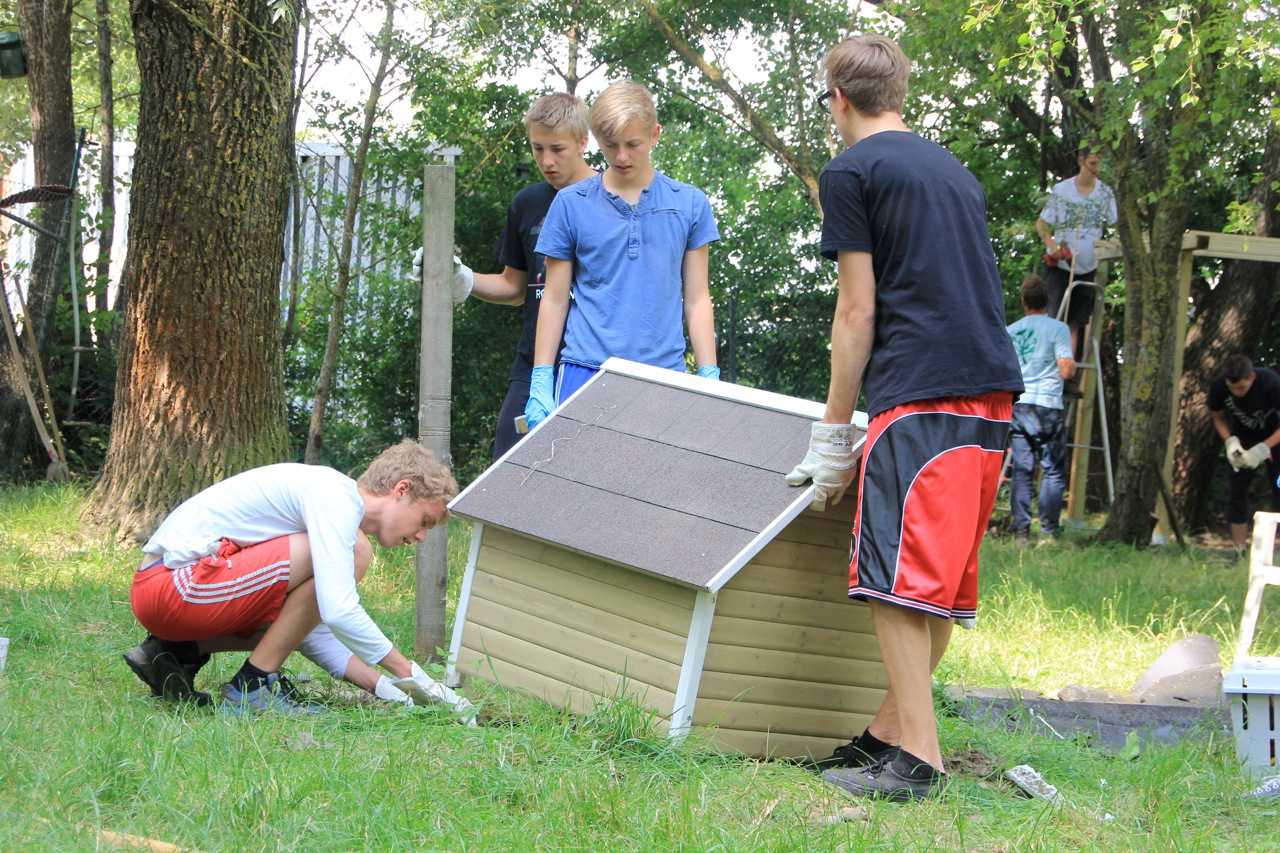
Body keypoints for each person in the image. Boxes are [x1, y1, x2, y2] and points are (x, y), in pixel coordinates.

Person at [785, 34, 1023, 802]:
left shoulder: (852, 170)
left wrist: (833, 431)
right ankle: (890, 733)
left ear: (839, 100)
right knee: (940, 586)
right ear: (901, 96)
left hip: (920, 391)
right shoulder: (950, 167)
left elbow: (857, 311)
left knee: (892, 582)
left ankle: (919, 762)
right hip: (993, 395)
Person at [123, 440, 463, 716]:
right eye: (424, 521)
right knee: (357, 551)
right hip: (171, 587)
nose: (421, 538)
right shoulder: (335, 496)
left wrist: (392, 692)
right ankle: (251, 687)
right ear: (401, 490)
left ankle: (170, 653)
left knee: (306, 605)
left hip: (172, 593)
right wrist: (412, 676)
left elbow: (305, 630)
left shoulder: (333, 505)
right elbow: (338, 611)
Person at [523, 80, 720, 430]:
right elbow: (554, 299)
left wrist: (708, 373)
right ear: (596, 140)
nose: (621, 156)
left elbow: (697, 298)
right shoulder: (570, 204)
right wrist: (541, 376)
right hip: (584, 372)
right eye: (610, 145)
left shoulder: (690, 204)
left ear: (655, 134)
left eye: (633, 144)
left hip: (664, 377)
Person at [414, 93, 597, 459]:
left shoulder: (613, 198)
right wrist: (458, 277)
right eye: (537, 148)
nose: (547, 161)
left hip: (595, 362)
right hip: (533, 364)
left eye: (557, 149)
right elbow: (515, 286)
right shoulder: (527, 203)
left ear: (583, 142)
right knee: (509, 471)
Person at [1006, 274, 1076, 548]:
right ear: (1048, 301)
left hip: (1020, 406)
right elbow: (1066, 370)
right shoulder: (1058, 329)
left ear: (1024, 301)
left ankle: (1021, 533)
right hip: (1048, 406)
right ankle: (1048, 533)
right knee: (1053, 471)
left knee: (1021, 470)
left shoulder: (1011, 330)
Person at [1034, 143, 1117, 358]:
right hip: (1061, 265)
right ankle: (1047, 365)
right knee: (1053, 318)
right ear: (1081, 160)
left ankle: (1067, 370)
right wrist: (1052, 246)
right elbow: (1042, 223)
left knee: (1075, 323)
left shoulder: (1105, 193)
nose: (1096, 169)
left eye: (1099, 164)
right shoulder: (1063, 190)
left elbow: (1117, 225)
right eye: (1092, 163)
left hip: (1088, 267)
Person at [1207, 354, 1280, 554]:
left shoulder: (1271, 384)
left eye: (1241, 388)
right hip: (1242, 441)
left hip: (1275, 439)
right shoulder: (1219, 386)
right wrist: (1230, 442)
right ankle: (1239, 550)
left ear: (1252, 378)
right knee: (1236, 492)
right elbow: (1218, 417)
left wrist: (1262, 449)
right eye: (1233, 389)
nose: (1237, 393)